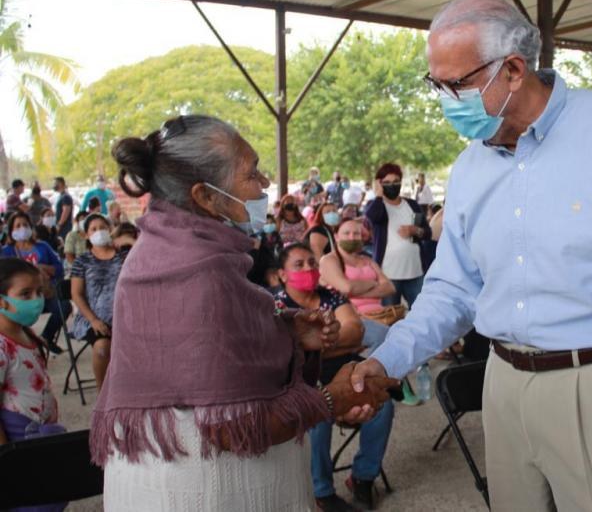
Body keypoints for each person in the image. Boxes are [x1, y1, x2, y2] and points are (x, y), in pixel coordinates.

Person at [349, 0, 592, 512]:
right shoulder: (471, 169)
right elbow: (453, 291)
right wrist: (387, 359)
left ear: (514, 70)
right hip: (504, 382)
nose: (445, 99)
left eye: (457, 84)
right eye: (436, 84)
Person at [91, 115, 396, 511]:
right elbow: (228, 428)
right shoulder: (198, 271)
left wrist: (284, 330)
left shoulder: (164, 252)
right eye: (251, 173)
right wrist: (328, 398)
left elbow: (208, 346)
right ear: (205, 195)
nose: (265, 183)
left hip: (177, 476)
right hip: (202, 487)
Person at [273, 244, 394, 512]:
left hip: (348, 373)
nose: (309, 269)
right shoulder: (278, 305)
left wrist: (311, 344)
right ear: (282, 274)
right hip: (303, 381)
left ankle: (362, 477)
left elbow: (357, 330)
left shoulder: (332, 296)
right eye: (299, 264)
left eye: (312, 263)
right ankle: (322, 491)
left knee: (382, 404)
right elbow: (284, 354)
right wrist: (341, 344)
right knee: (316, 414)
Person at [0, 258, 68, 511]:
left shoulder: (28, 334)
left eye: (39, 292)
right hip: (18, 438)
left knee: (51, 496)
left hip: (41, 432)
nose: (36, 300)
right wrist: (8, 459)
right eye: (25, 294)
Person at [319, 218, 396, 351]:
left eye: (356, 234)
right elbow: (346, 287)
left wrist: (356, 291)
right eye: (347, 233)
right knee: (386, 336)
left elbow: (390, 287)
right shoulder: (329, 260)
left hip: (381, 315)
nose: (352, 237)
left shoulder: (367, 260)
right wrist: (373, 282)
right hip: (352, 318)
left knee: (408, 333)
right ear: (336, 237)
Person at [69, 214, 125, 390]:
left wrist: (127, 240)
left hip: (126, 316)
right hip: (94, 318)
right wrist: (93, 320)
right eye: (94, 229)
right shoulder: (82, 261)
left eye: (103, 227)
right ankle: (103, 394)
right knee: (102, 347)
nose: (99, 231)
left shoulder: (124, 256)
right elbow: (76, 294)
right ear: (86, 235)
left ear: (110, 230)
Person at [1, 212, 70, 356]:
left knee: (64, 306)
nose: (22, 228)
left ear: (31, 227)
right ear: (11, 230)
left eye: (25, 225)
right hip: (20, 299)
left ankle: (46, 337)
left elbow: (59, 269)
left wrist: (43, 268)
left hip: (44, 294)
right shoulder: (6, 252)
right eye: (17, 226)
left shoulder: (43, 247)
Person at [365, 163, 431, 308]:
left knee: (421, 312)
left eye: (396, 181)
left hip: (416, 271)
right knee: (390, 317)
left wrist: (416, 231)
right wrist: (378, 195)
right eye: (387, 182)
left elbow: (428, 232)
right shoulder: (376, 205)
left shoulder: (412, 205)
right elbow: (372, 217)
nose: (392, 185)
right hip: (388, 275)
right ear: (380, 184)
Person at [248, 214, 283, 293]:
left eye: (271, 223)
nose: (269, 225)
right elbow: (254, 259)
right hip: (261, 270)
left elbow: (279, 253)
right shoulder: (256, 238)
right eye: (266, 223)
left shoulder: (277, 237)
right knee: (273, 276)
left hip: (275, 266)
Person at [63, 211, 89, 277]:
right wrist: (81, 269)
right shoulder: (72, 235)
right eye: (82, 219)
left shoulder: (93, 236)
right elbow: (69, 257)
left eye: (87, 219)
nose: (84, 221)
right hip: (77, 271)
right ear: (77, 222)